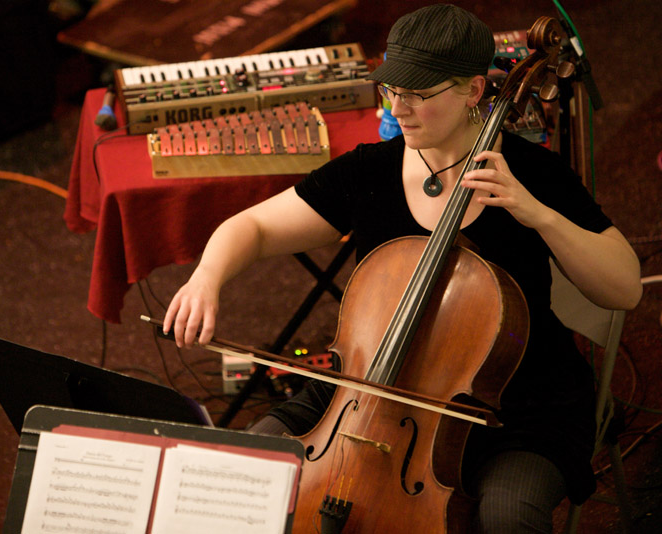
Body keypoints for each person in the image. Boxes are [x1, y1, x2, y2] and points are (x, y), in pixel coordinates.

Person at [163, 4, 642, 533]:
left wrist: (539, 215)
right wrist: (206, 276)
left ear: (474, 92)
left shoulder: (533, 177)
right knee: (241, 471)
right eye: (392, 91)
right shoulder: (370, 172)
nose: (401, 108)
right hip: (365, 385)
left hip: (514, 409)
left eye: (419, 94)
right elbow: (250, 228)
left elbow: (623, 289)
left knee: (508, 518)